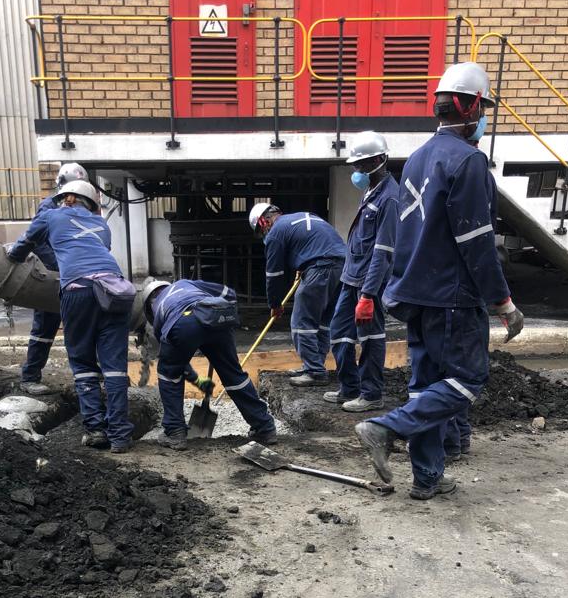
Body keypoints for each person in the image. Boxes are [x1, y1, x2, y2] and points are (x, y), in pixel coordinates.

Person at [355, 61, 524, 500]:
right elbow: (476, 241)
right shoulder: (468, 161)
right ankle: (385, 428)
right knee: (468, 380)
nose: (484, 118)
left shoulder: (415, 159)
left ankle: (427, 478)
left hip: (415, 293)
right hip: (453, 296)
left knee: (425, 387)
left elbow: (408, 234)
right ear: (471, 107)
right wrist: (503, 302)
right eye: (483, 109)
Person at [7, 179, 136, 453]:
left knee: (83, 361)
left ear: (66, 198)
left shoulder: (51, 216)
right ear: (90, 204)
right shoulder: (102, 225)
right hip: (115, 290)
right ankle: (121, 437)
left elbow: (26, 243)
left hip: (78, 291)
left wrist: (14, 255)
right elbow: (94, 251)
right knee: (114, 366)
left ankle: (96, 430)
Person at [142, 278, 278, 451]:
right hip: (214, 316)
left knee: (168, 374)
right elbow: (229, 293)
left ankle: (174, 432)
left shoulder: (159, 310)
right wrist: (224, 318)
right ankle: (265, 427)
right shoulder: (186, 283)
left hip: (184, 322)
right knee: (233, 374)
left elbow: (176, 363)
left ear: (149, 306)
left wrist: (191, 376)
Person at [324, 132, 399, 412]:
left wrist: (368, 294)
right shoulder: (371, 192)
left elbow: (383, 251)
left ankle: (371, 394)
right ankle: (349, 387)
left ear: (379, 160)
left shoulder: (389, 199)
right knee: (339, 332)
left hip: (369, 282)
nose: (356, 170)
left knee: (370, 338)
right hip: (351, 277)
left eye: (361, 164)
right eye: (355, 164)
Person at [249, 204, 346, 386]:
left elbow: (274, 274)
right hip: (343, 267)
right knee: (322, 322)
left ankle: (315, 372)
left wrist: (275, 304)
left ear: (264, 222)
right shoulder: (301, 216)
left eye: (261, 231)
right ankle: (314, 365)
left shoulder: (276, 232)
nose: (264, 235)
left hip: (321, 268)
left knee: (302, 322)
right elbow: (314, 242)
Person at [19, 162, 89, 395]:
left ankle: (89, 376)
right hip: (53, 277)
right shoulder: (49, 208)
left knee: (82, 327)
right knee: (44, 328)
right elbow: (36, 240)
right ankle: (30, 377)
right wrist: (61, 265)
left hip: (75, 277)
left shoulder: (82, 209)